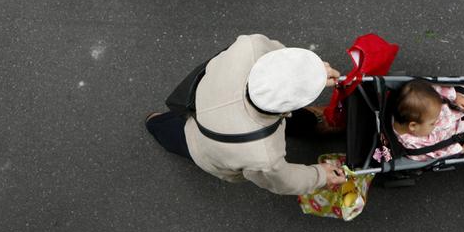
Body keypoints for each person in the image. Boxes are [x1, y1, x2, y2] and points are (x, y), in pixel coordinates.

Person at [145, 34, 348, 195]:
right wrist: (320, 176)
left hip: (205, 97)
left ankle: (155, 121)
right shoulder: (264, 157)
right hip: (205, 144)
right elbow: (284, 181)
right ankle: (154, 125)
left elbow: (278, 58)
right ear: (286, 108)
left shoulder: (250, 46)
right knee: (184, 137)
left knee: (174, 128)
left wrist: (309, 72)